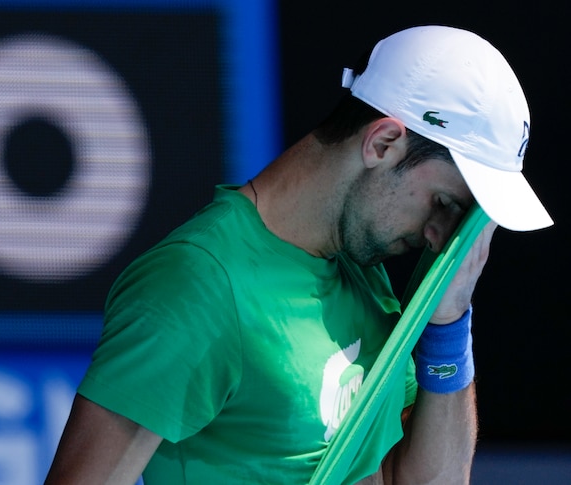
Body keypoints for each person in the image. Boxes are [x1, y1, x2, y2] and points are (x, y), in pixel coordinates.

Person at [45, 25, 553, 484]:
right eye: (443, 204)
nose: (439, 237)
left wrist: (448, 326)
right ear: (383, 144)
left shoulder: (361, 271)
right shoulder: (196, 285)